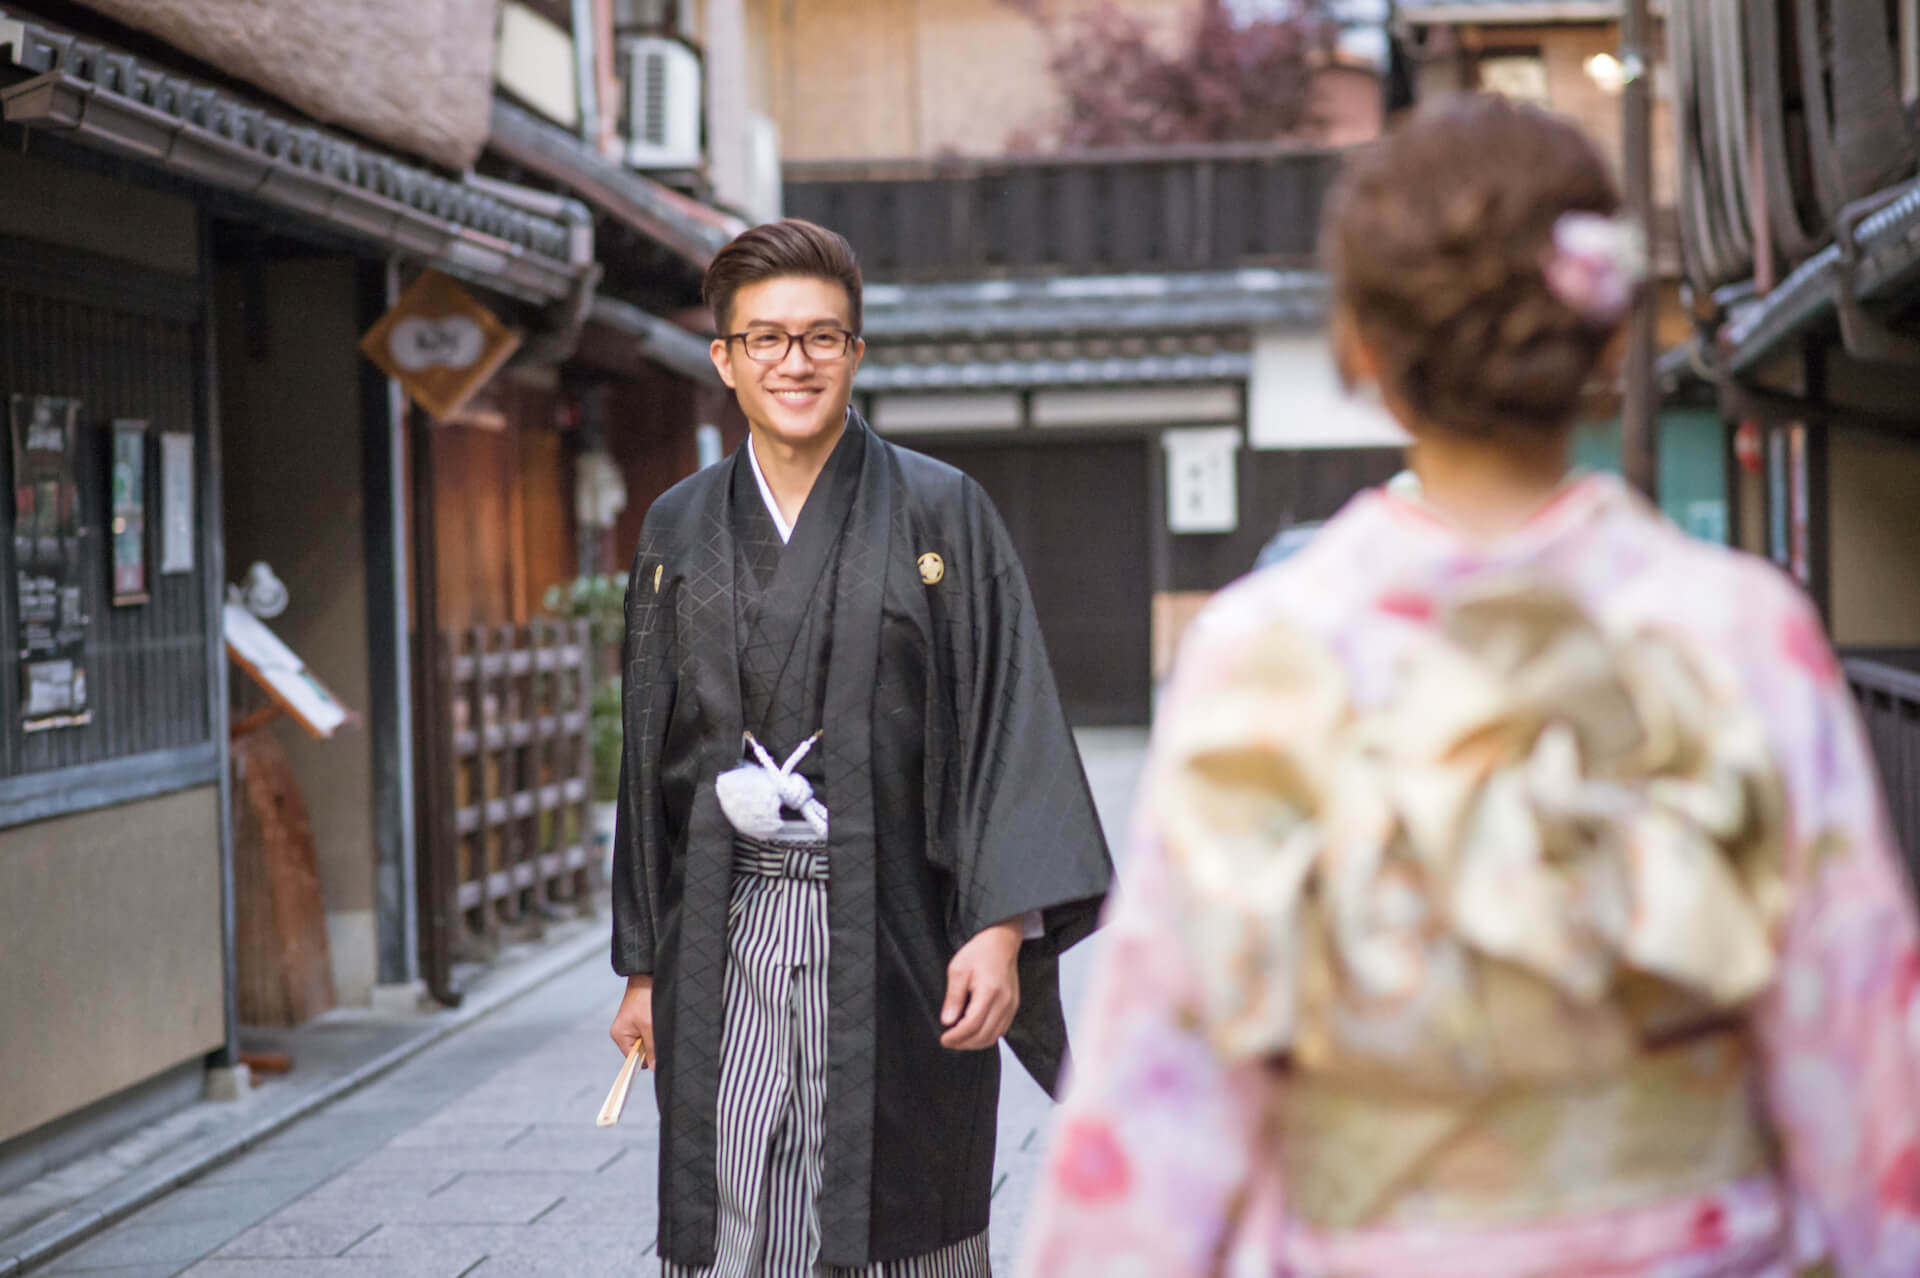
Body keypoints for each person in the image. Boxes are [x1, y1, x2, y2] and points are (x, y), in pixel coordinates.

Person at [1017, 95, 1920, 1278]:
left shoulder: (1270, 647)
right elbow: (1858, 1049)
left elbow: (1165, 1079)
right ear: (1607, 338)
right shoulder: (1739, 632)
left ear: (1357, 351)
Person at [608, 217, 1113, 1277]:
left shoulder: (942, 511)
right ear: (726, 361)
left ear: (857, 353)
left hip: (899, 925)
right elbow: (649, 754)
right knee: (732, 1181)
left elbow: (1003, 715)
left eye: (822, 338)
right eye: (768, 340)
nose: (796, 362)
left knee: (894, 1201)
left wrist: (1003, 926)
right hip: (725, 918)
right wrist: (644, 967)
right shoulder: (676, 528)